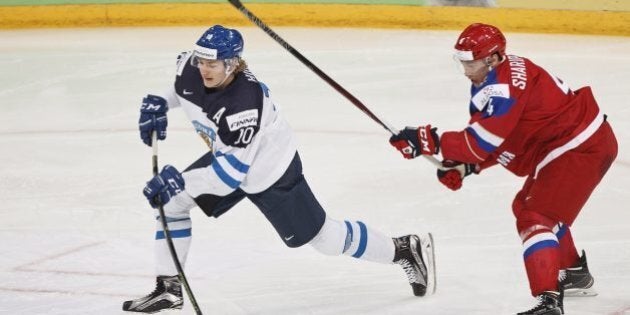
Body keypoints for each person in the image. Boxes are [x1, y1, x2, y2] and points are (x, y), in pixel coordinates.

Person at [122, 25, 436, 313]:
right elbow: (179, 89)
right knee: (170, 204)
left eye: (212, 64)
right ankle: (169, 287)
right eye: (201, 61)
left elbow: (228, 178)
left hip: (269, 172)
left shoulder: (243, 104)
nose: (203, 68)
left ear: (232, 64)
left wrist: (180, 181)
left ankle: (403, 249)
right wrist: (158, 102)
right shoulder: (194, 66)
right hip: (230, 156)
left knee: (325, 240)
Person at [388, 23, 617, 315]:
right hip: (565, 143)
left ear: (492, 57)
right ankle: (573, 272)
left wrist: (427, 140)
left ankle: (548, 302)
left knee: (535, 217)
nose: (465, 69)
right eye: (461, 61)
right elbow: (507, 136)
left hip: (580, 147)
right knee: (525, 205)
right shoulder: (498, 74)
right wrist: (465, 167)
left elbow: (481, 142)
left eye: (470, 62)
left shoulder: (503, 89)